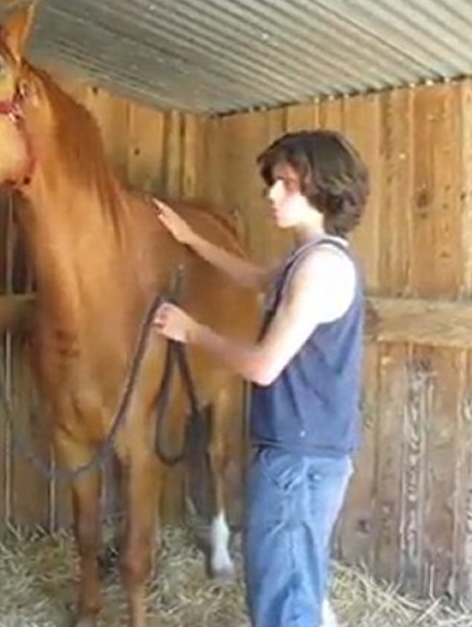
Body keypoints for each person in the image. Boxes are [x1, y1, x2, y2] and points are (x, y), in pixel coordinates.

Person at [152, 129, 369, 627]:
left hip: (297, 461)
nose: (272, 194)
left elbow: (262, 366)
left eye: (287, 184)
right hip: (307, 453)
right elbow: (252, 277)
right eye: (273, 182)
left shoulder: (318, 270)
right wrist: (190, 240)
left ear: (323, 187)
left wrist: (192, 332)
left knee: (283, 604)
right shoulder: (312, 256)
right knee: (300, 590)